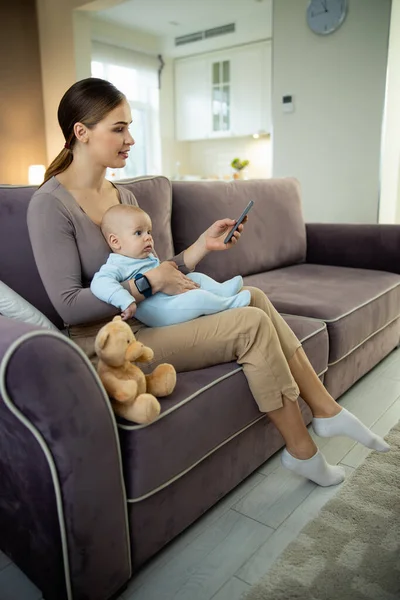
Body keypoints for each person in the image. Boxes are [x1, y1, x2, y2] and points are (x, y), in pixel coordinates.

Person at [27, 78, 390, 489]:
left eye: (130, 127)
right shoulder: (49, 206)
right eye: (119, 128)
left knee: (252, 295)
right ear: (81, 131)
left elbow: (158, 270)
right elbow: (71, 306)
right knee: (249, 325)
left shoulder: (121, 196)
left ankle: (325, 409)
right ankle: (302, 451)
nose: (130, 139)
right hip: (111, 344)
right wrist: (148, 283)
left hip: (152, 316)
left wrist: (200, 247)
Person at [91, 204, 251, 326]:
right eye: (139, 233)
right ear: (115, 241)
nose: (148, 238)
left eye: (149, 232)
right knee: (198, 297)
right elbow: (99, 283)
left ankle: (223, 291)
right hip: (159, 310)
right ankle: (229, 304)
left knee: (196, 277)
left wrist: (204, 244)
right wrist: (124, 300)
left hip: (168, 298)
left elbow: (169, 272)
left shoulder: (144, 256)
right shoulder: (117, 263)